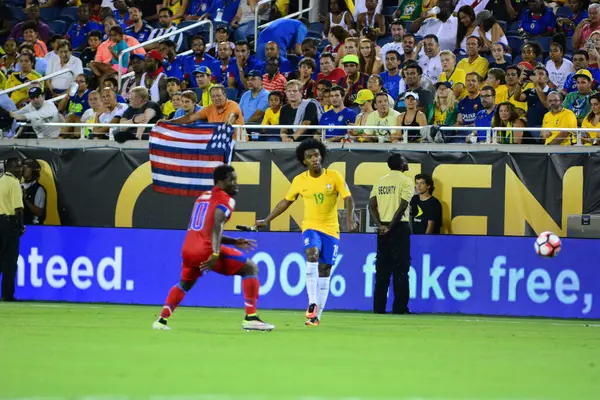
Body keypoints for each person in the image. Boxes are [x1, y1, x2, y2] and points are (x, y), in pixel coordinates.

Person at [153, 165, 275, 331]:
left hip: (188, 249)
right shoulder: (226, 199)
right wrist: (216, 252)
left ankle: (161, 320)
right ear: (220, 181)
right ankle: (251, 318)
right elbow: (217, 223)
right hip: (206, 250)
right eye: (231, 180)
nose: (235, 183)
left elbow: (207, 229)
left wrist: (233, 241)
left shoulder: (203, 197)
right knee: (250, 268)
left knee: (185, 284)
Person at [255, 139, 356, 326]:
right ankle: (312, 302)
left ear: (321, 156)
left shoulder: (334, 176)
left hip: (331, 230)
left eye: (316, 155)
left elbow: (348, 198)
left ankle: (317, 316)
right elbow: (286, 201)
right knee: (312, 254)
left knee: (325, 270)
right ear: (304, 161)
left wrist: (350, 219)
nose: (314, 159)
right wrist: (267, 220)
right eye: (309, 157)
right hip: (311, 226)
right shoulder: (300, 181)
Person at [368, 154, 413, 314]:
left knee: (382, 270)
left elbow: (371, 206)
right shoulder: (406, 181)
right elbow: (402, 207)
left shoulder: (380, 181)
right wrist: (391, 226)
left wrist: (380, 225)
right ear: (401, 165)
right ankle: (400, 308)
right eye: (405, 160)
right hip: (399, 227)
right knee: (401, 270)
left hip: (383, 229)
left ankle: (378, 308)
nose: (407, 162)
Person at [0, 157, 24, 302]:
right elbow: (18, 209)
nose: (21, 169)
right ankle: (7, 294)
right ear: (12, 168)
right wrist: (20, 226)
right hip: (8, 224)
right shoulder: (14, 183)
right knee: (9, 260)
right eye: (19, 166)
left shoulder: (0, 180)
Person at [21, 159, 46, 226]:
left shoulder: (39, 189)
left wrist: (26, 200)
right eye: (23, 167)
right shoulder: (19, 186)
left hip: (33, 226)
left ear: (34, 170)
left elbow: (39, 212)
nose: (24, 169)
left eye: (26, 167)